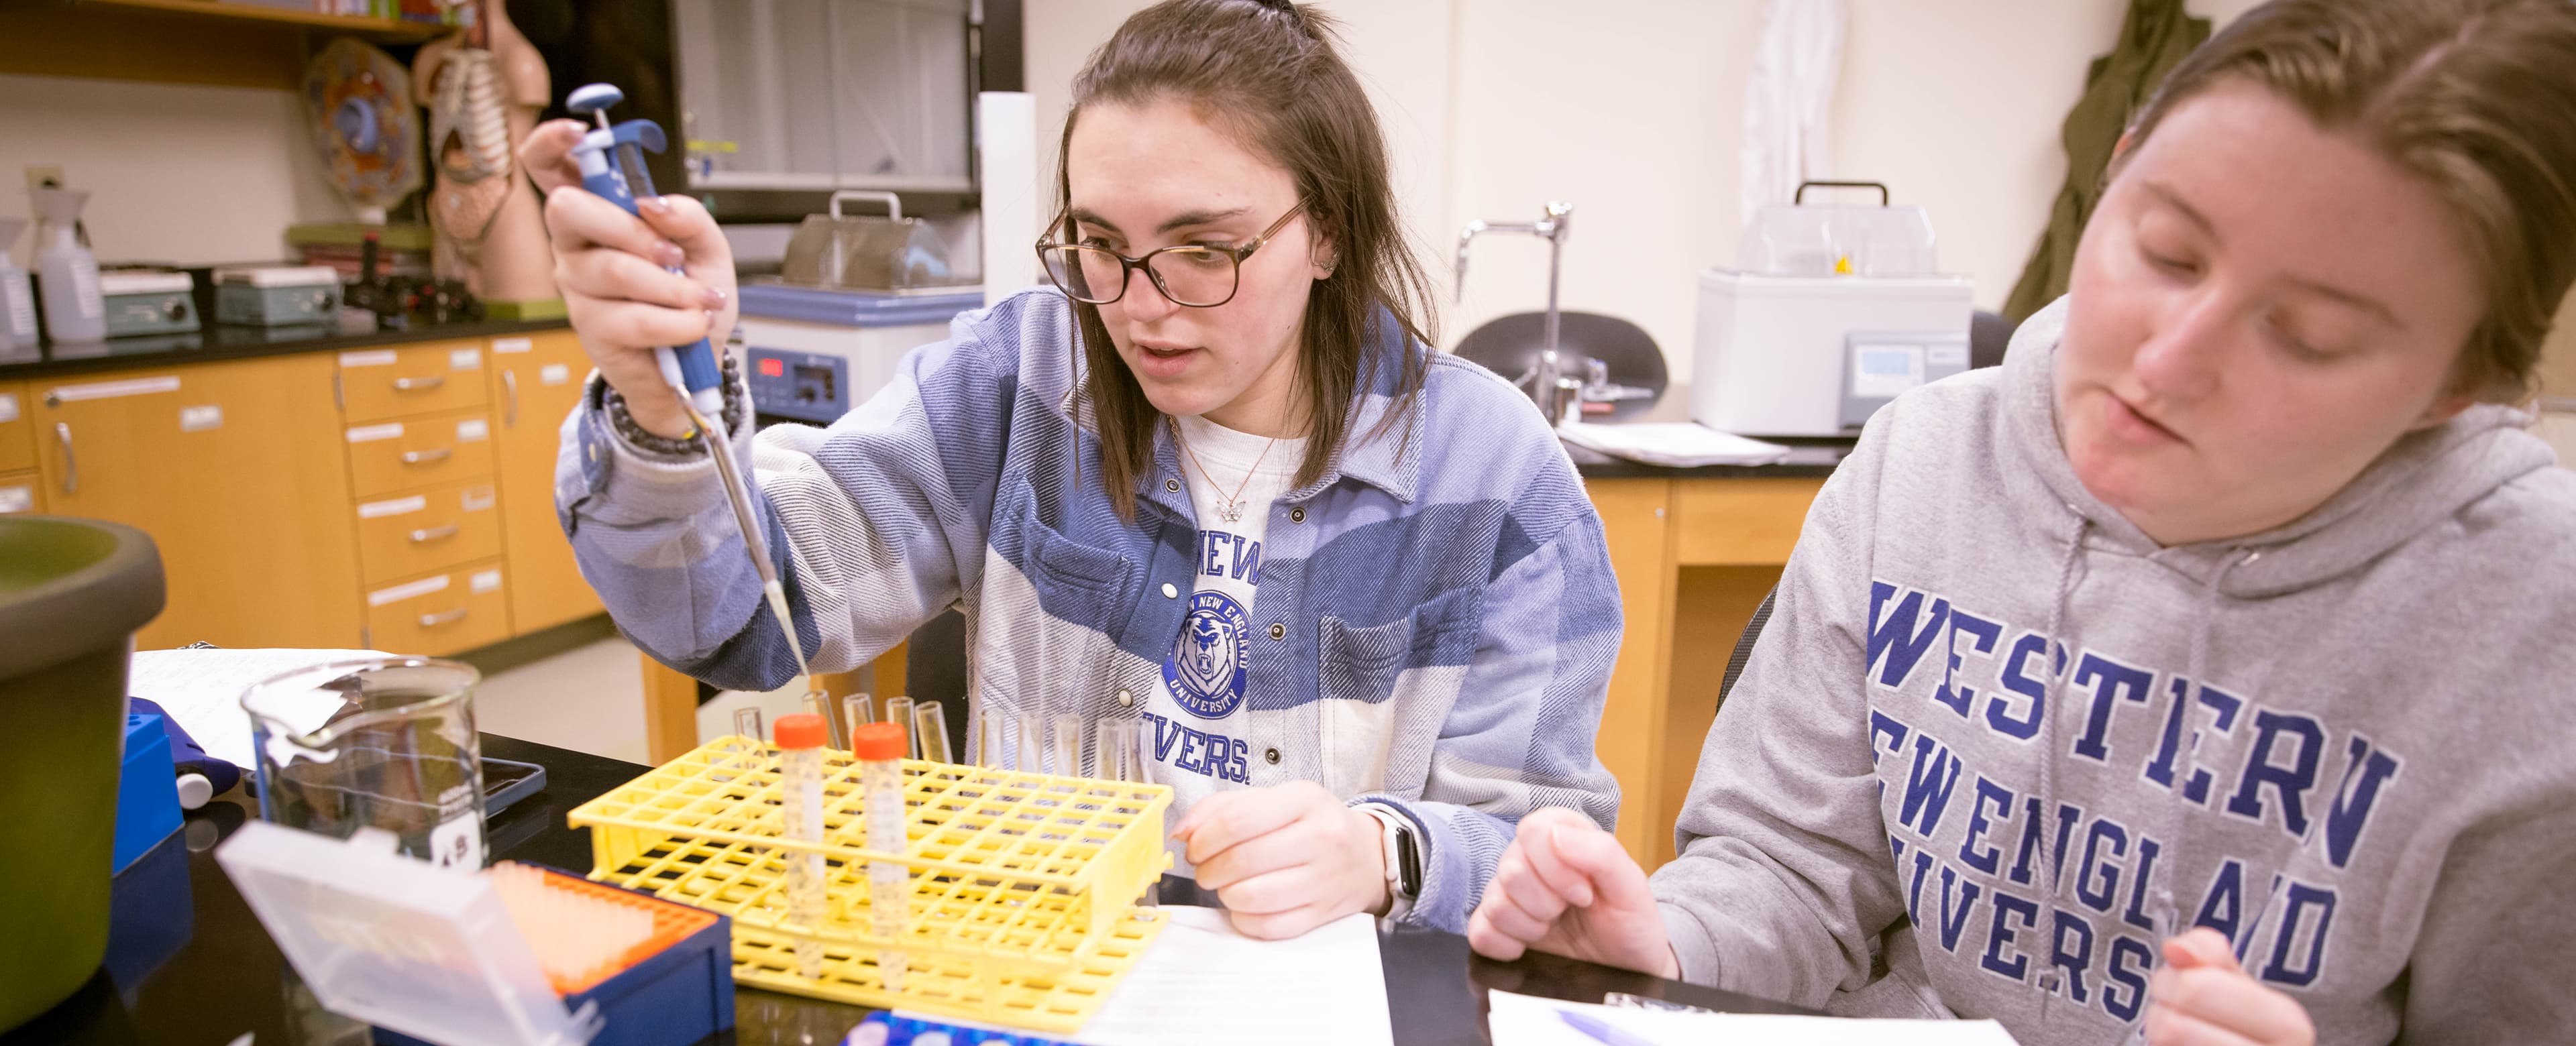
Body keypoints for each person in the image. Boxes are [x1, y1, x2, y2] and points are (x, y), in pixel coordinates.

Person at [1464, 1, 2576, 1042]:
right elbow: (1794, 867)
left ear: (2461, 385)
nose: (2169, 360)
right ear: (2120, 166)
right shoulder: (1925, 460)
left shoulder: (2533, 626)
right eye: (2168, 254)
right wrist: (1669, 946)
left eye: (2312, 336)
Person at [518, 0, 1621, 939]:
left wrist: (1385, 853)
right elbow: (746, 617)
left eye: (1206, 249)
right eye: (1100, 242)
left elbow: (1540, 841)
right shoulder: (1023, 379)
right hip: (1050, 974)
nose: (1140, 308)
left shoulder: (1497, 481)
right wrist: (666, 417)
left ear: (1326, 233)